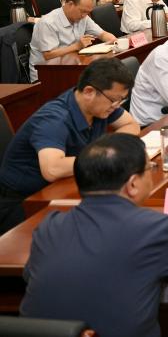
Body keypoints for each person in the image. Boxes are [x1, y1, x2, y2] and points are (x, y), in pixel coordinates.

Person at [20, 134, 168, 337]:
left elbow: (33, 277)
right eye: (149, 168)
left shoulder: (49, 226)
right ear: (133, 184)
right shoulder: (157, 228)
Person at [0, 58, 141, 234]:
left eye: (120, 101)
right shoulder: (54, 119)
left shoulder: (99, 106)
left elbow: (131, 125)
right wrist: (103, 156)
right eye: (114, 100)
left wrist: (107, 149)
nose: (116, 106)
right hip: (23, 205)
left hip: (64, 188)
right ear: (89, 92)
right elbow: (52, 169)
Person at [28, 0, 116, 82]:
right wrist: (77, 46)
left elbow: (102, 34)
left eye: (87, 12)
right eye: (82, 11)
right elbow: (48, 55)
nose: (84, 15)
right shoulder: (48, 22)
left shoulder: (83, 17)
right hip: (46, 75)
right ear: (70, 4)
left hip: (71, 67)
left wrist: (112, 39)